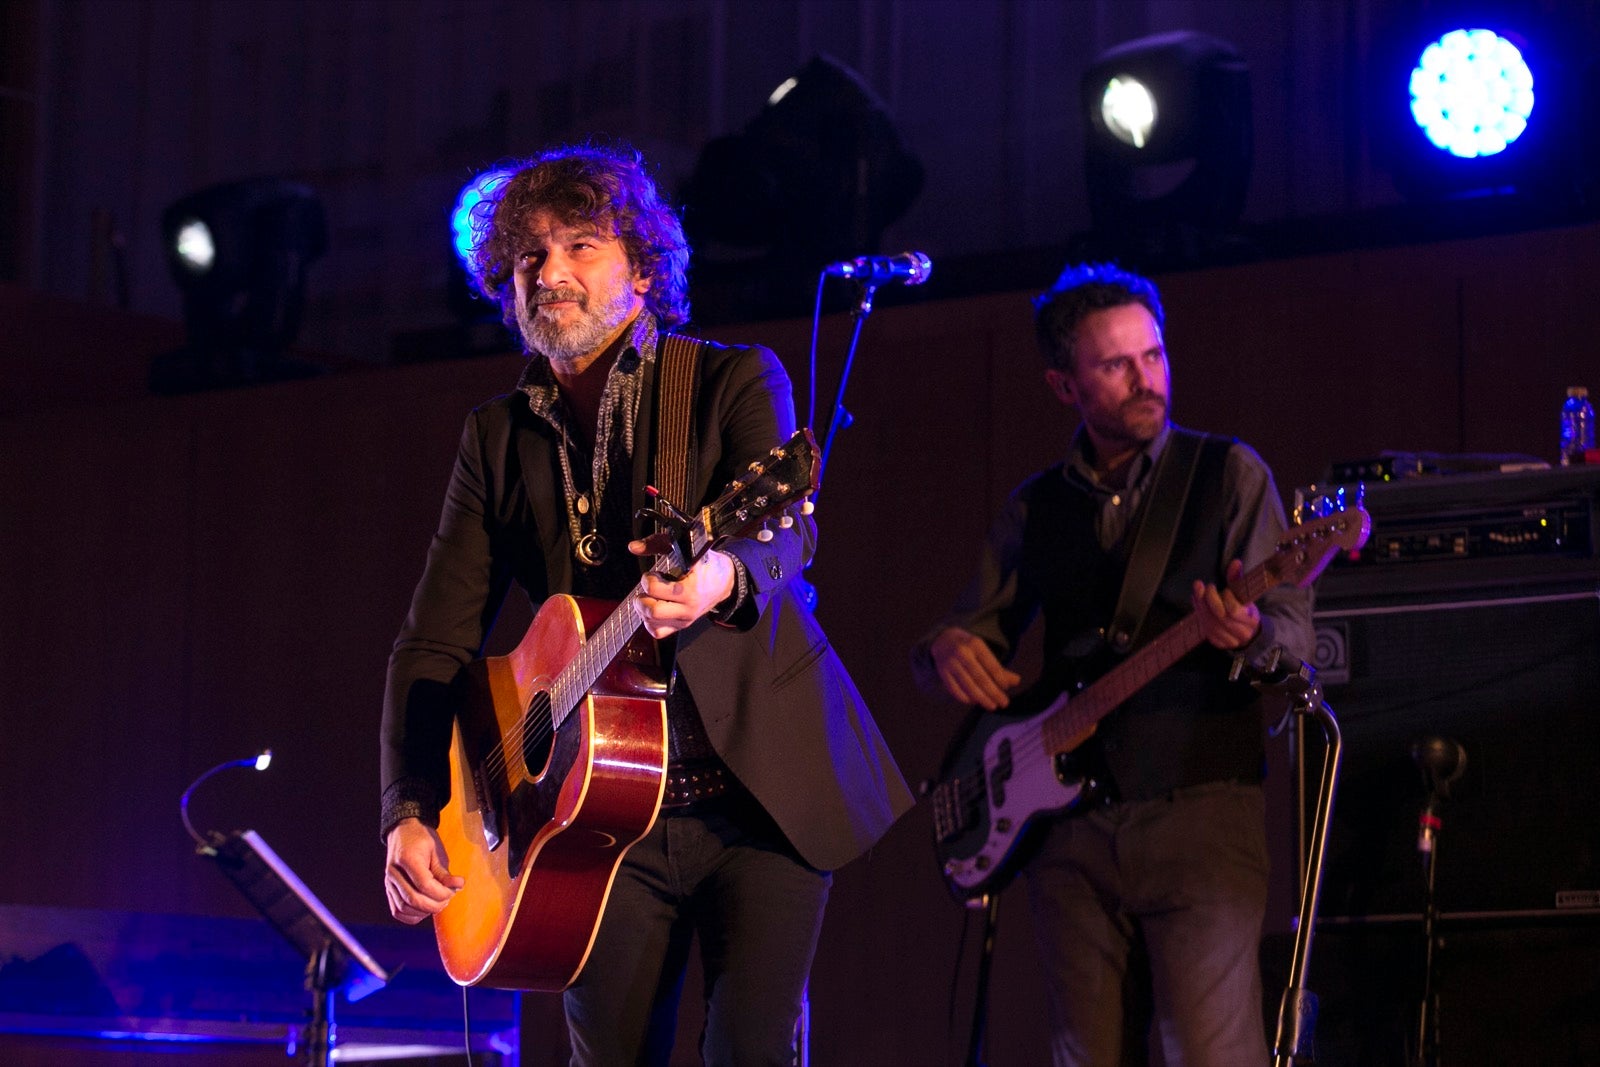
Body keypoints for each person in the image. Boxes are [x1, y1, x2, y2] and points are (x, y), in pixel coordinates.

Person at [381, 142, 912, 1066]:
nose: (550, 273)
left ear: (641, 268)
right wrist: (410, 806)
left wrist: (720, 576)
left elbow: (784, 536)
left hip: (762, 797)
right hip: (592, 820)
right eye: (528, 257)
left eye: (580, 245)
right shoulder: (495, 438)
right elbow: (431, 643)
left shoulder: (733, 379)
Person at [912, 262, 1313, 1067]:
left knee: (1210, 1051)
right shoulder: (1036, 504)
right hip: (1070, 834)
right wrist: (942, 648)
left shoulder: (1229, 473)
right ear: (1064, 385)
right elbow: (969, 635)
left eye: (1155, 355)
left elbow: (1293, 638)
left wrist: (1245, 637)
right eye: (1116, 364)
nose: (1146, 378)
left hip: (1201, 811)